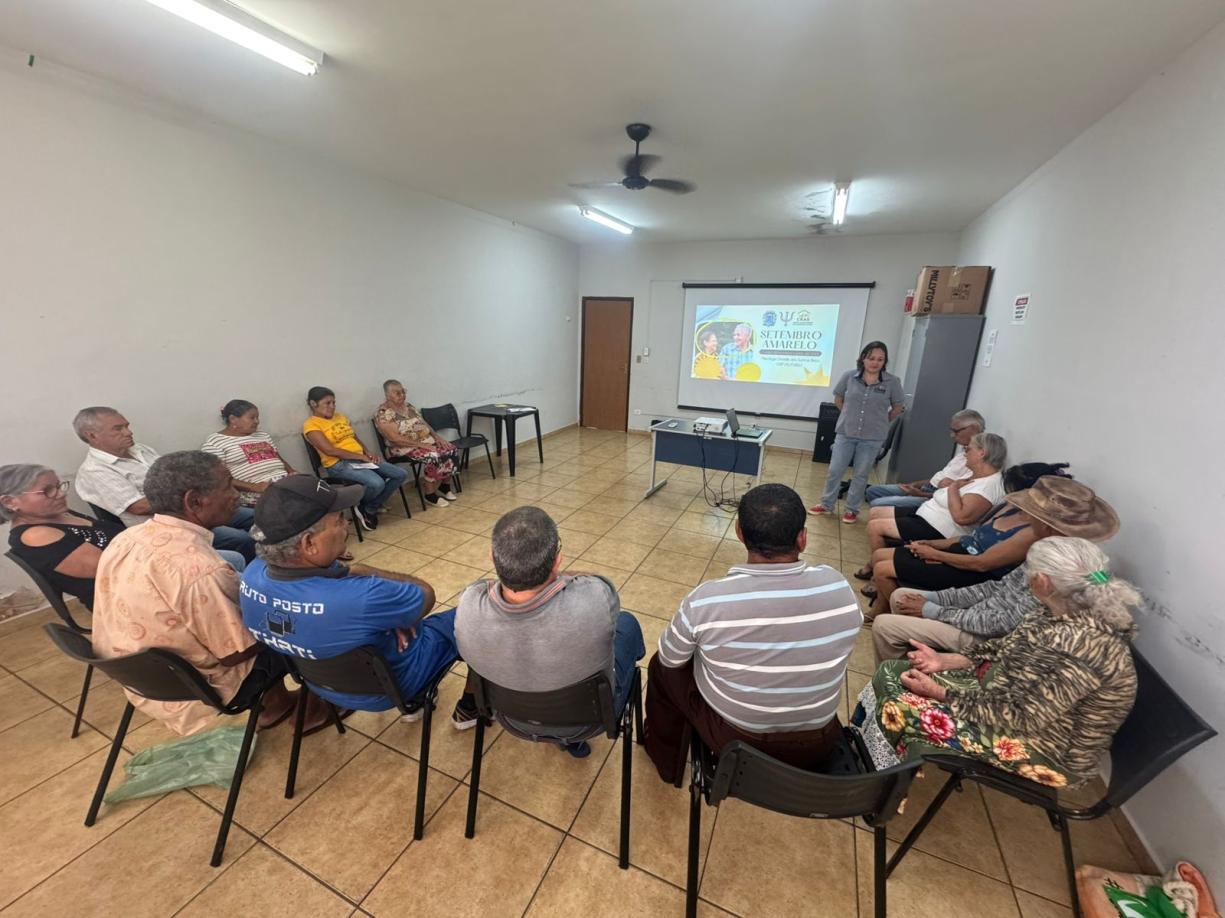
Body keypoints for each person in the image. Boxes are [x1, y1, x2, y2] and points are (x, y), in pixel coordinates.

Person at [854, 537, 1139, 789]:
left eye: (1029, 573)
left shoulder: (1082, 646)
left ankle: (876, 788)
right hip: (1008, 699)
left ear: (1043, 581)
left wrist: (940, 693)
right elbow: (1003, 646)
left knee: (903, 707)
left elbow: (1024, 717)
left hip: (1047, 748)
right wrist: (946, 660)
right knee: (893, 672)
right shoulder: (1056, 610)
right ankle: (863, 754)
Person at [90, 452, 323, 735]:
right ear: (194, 501)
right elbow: (237, 653)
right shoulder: (199, 570)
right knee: (321, 620)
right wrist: (299, 613)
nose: (236, 494)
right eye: (228, 485)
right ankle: (316, 710)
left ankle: (275, 705)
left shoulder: (126, 539)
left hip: (148, 680)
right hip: (206, 686)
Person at [644, 483, 862, 784]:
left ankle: (666, 763)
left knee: (660, 666)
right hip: (818, 744)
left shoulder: (707, 600)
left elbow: (671, 661)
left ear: (739, 533)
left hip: (736, 745)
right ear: (803, 538)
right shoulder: (839, 588)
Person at [238, 475, 478, 727]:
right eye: (339, 520)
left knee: (390, 624)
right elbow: (425, 594)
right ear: (309, 543)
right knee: (477, 615)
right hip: (390, 689)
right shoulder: (362, 596)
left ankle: (416, 701)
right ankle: (470, 706)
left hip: (318, 684)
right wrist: (362, 571)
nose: (346, 527)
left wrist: (383, 618)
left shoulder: (251, 575)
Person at [454, 506, 646, 758]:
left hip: (510, 719)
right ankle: (571, 735)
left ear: (492, 557)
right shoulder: (595, 599)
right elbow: (595, 581)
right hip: (590, 723)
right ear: (557, 561)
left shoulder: (468, 603)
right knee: (627, 623)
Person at [869, 476, 1119, 663]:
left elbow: (1003, 624)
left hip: (989, 638)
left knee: (884, 626)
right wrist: (938, 598)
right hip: (978, 616)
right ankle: (913, 662)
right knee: (901, 596)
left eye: (1032, 513)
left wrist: (934, 610)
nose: (1027, 517)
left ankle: (899, 679)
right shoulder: (1047, 549)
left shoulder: (1064, 572)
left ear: (1047, 524)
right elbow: (997, 588)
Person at [856, 461, 1070, 598]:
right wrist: (932, 545)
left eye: (1016, 494)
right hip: (958, 549)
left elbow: (982, 564)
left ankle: (890, 612)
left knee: (883, 567)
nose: (1011, 498)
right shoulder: (1010, 509)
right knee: (880, 556)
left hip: (971, 571)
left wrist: (935, 553)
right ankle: (883, 607)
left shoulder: (1032, 531)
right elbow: (971, 537)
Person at [72, 406, 256, 562]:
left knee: (254, 515)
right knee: (240, 539)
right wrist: (193, 495)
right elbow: (138, 507)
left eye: (127, 426)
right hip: (169, 527)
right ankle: (249, 581)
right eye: (118, 429)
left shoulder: (140, 450)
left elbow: (176, 477)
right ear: (92, 436)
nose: (128, 432)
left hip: (194, 507)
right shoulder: (94, 471)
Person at [2, 464, 123, 610]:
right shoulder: (35, 536)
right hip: (121, 601)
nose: (61, 494)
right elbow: (112, 568)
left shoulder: (58, 514)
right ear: (10, 502)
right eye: (47, 491)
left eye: (58, 486)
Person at [808, 341, 906, 524]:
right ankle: (826, 504)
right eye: (871, 358)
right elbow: (838, 398)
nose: (875, 362)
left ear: (885, 362)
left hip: (872, 437)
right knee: (835, 470)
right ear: (863, 358)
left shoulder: (892, 382)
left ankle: (851, 510)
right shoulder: (849, 376)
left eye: (880, 359)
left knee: (861, 474)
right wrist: (847, 415)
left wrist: (881, 422)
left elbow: (898, 407)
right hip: (846, 432)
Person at [302, 386, 410, 531]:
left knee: (400, 474)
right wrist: (361, 457)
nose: (332, 406)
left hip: (360, 458)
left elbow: (354, 438)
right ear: (313, 404)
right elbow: (329, 450)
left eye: (334, 402)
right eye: (327, 403)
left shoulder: (340, 417)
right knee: (377, 483)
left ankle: (368, 506)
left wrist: (367, 452)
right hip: (338, 464)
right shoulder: (311, 424)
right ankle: (369, 508)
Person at [863, 410, 985, 510]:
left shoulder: (979, 459)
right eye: (951, 430)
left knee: (878, 504)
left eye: (956, 431)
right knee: (872, 491)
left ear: (973, 428)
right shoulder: (964, 450)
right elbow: (940, 477)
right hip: (927, 488)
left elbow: (951, 496)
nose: (952, 435)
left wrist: (919, 494)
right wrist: (914, 485)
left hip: (933, 497)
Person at [374, 380, 459, 508]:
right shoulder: (383, 414)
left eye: (403, 391)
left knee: (450, 449)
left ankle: (444, 486)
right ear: (387, 395)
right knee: (434, 455)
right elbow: (395, 439)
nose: (402, 395)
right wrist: (423, 446)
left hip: (424, 441)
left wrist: (437, 437)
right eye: (397, 393)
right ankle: (430, 494)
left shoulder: (408, 407)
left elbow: (423, 424)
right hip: (402, 448)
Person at [201, 399, 297, 506]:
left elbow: (278, 457)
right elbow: (218, 477)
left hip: (283, 482)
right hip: (254, 490)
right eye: (252, 418)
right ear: (233, 419)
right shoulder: (215, 442)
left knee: (308, 491)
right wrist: (254, 487)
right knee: (293, 503)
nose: (257, 421)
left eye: (257, 417)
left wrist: (292, 472)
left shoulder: (262, 435)